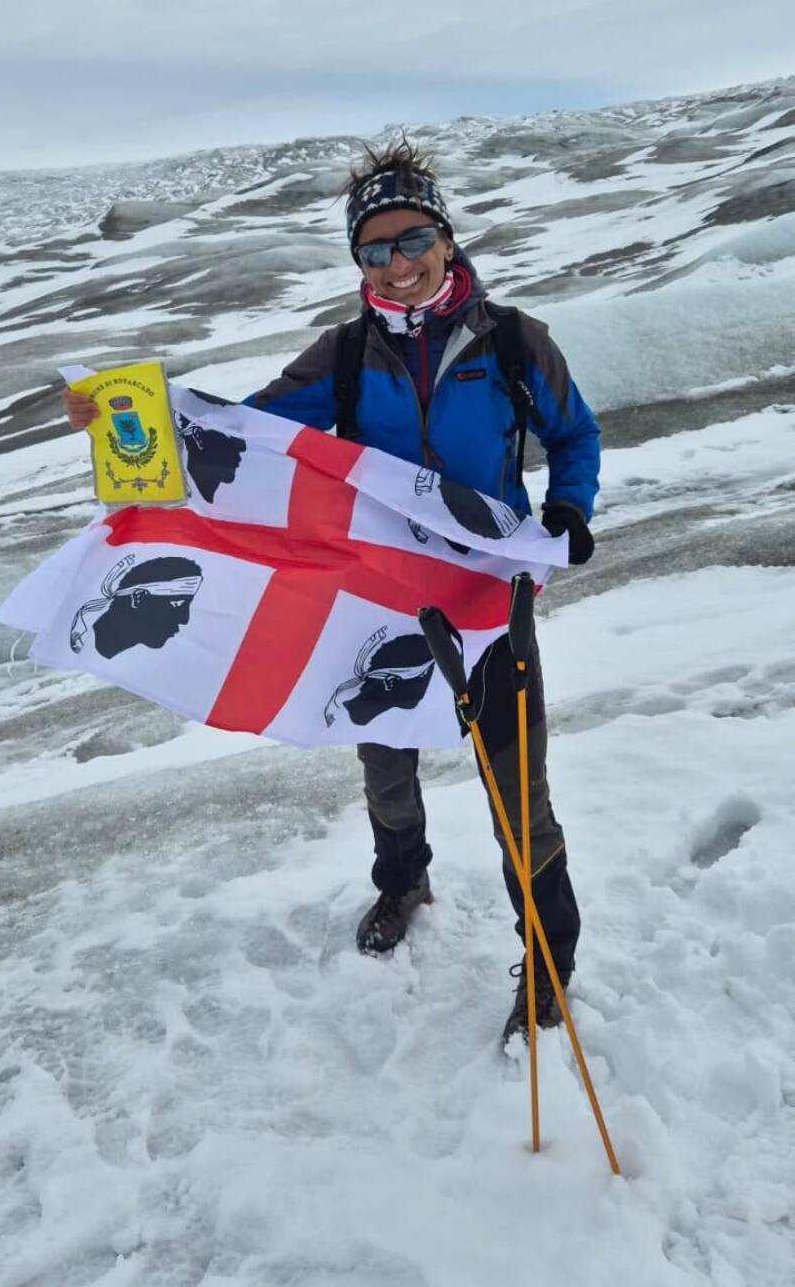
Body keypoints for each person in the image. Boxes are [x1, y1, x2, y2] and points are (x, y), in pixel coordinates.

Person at [63, 139, 600, 1042]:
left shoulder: (513, 342)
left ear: (444, 234)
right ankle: (403, 881)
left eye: (410, 239)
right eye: (374, 250)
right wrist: (126, 410)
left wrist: (571, 507)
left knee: (517, 785)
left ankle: (548, 959)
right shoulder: (346, 356)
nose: (396, 264)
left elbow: (574, 436)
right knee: (384, 757)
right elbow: (242, 436)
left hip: (489, 602)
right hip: (384, 597)